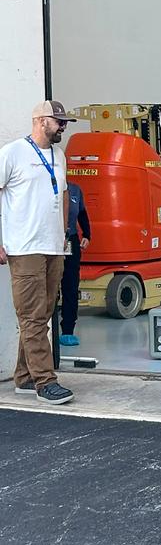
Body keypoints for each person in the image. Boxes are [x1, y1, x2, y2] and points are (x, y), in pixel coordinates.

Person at [0, 101, 77, 404]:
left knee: (42, 314)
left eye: (64, 122)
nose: (63, 127)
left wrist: (63, 235)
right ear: (40, 121)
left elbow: (64, 192)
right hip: (25, 247)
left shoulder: (58, 155)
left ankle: (25, 377)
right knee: (32, 316)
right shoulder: (13, 152)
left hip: (52, 247)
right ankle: (45, 382)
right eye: (58, 122)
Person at [60, 180, 91, 346]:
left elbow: (82, 213)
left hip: (71, 241)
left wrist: (87, 234)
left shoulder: (74, 190)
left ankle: (67, 330)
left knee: (70, 286)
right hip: (49, 241)